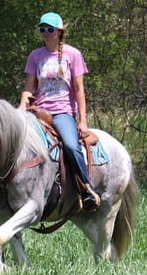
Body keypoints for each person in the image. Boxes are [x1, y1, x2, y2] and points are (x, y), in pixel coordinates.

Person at [18, 12, 101, 211]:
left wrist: (82, 121)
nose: (46, 33)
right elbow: (29, 87)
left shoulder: (73, 55)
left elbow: (79, 90)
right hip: (37, 112)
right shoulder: (35, 56)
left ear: (59, 32)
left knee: (72, 146)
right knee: (13, 142)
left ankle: (85, 188)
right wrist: (21, 108)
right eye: (42, 29)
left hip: (63, 112)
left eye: (50, 29)